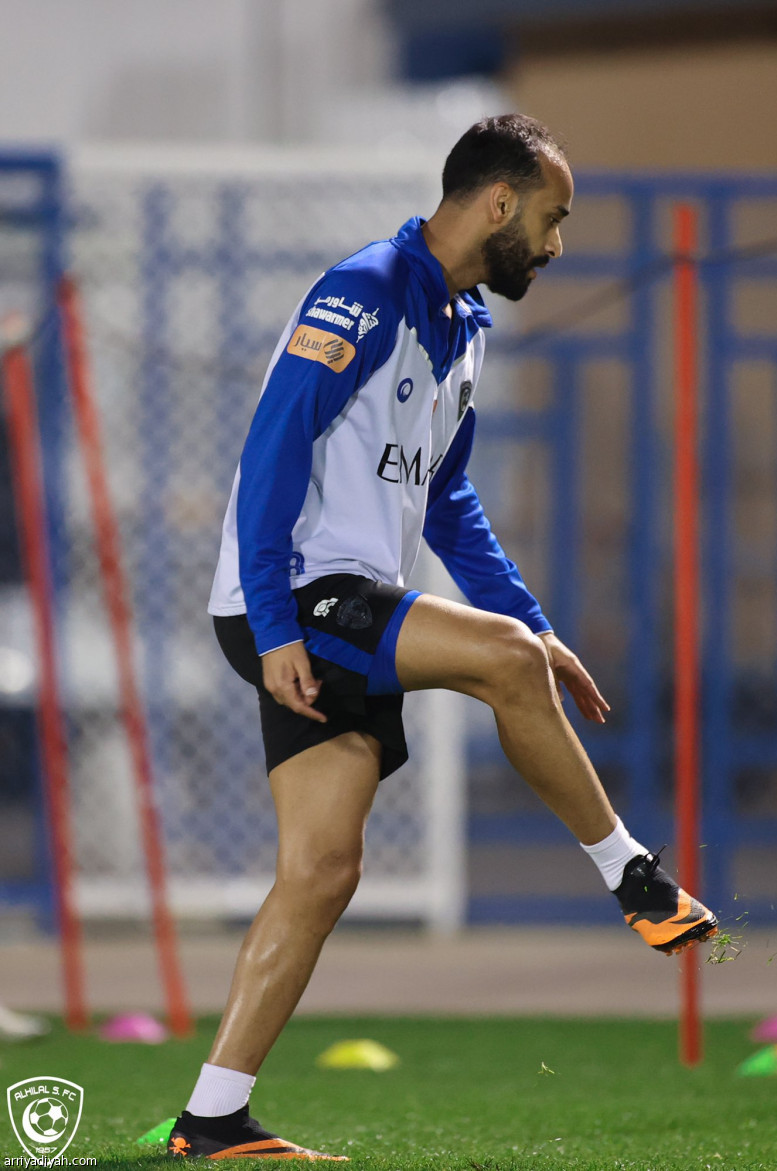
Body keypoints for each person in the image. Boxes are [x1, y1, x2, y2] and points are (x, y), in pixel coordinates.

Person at [167, 115, 717, 1160]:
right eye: (553, 220)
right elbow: (274, 445)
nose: (558, 246)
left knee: (324, 871)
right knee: (498, 665)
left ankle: (213, 1117)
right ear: (500, 203)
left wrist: (541, 627)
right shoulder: (364, 291)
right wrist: (279, 624)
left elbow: (448, 494)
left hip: (347, 603)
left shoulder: (461, 325)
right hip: (297, 597)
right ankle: (634, 876)